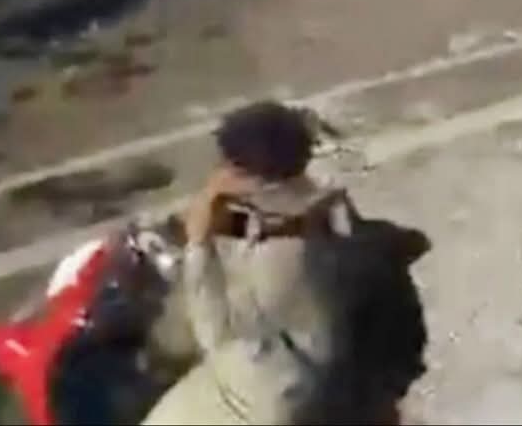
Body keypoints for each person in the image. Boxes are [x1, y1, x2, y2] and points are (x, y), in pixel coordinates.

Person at [143, 102, 426, 425]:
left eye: (226, 164)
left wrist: (198, 247)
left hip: (291, 398)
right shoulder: (327, 209)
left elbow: (218, 340)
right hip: (346, 375)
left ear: (244, 176)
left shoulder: (275, 260)